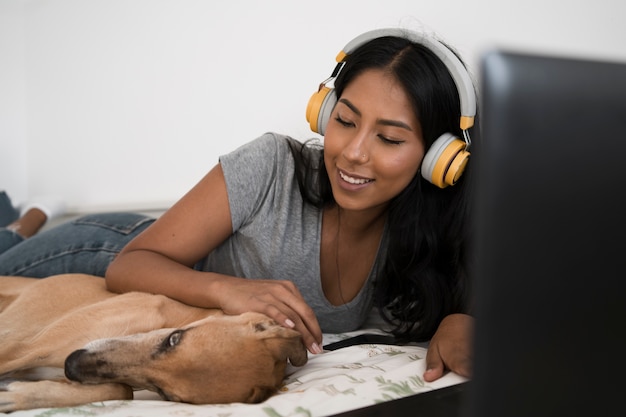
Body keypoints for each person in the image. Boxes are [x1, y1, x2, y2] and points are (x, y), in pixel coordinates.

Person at [0, 28, 477, 383]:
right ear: (325, 113)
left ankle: (25, 217)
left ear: (440, 158)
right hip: (99, 252)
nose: (353, 152)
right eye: (346, 122)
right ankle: (24, 222)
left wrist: (459, 318)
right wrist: (230, 290)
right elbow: (130, 265)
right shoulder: (272, 165)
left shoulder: (432, 233)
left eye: (389, 138)